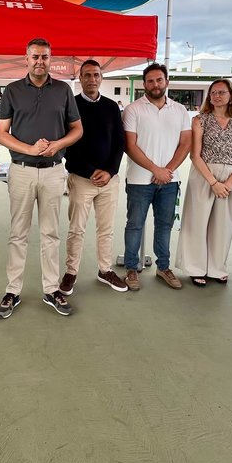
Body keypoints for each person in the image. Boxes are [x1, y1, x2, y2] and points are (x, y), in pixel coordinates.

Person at [0, 38, 82, 318]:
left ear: (50, 58)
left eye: (44, 57)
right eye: (35, 56)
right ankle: (12, 291)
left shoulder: (63, 90)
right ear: (26, 58)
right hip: (21, 169)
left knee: (50, 234)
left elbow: (77, 129)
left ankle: (50, 289)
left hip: (54, 171)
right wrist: (29, 149)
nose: (39, 61)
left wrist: (57, 144)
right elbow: (1, 134)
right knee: (18, 233)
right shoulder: (12, 90)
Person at [122, 63, 191, 292]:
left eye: (159, 80)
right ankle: (131, 268)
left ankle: (163, 267)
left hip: (170, 182)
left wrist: (167, 170)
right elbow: (130, 146)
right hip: (139, 181)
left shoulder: (180, 110)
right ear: (144, 85)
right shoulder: (133, 110)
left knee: (164, 226)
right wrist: (156, 169)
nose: (155, 84)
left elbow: (186, 143)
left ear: (167, 82)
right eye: (150, 81)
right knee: (135, 226)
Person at [62, 60, 128, 294]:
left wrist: (110, 171)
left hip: (109, 180)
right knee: (76, 229)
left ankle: (105, 270)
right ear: (80, 79)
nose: (92, 79)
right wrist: (90, 172)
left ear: (101, 78)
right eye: (87, 75)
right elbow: (69, 147)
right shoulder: (71, 106)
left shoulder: (111, 107)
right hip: (81, 179)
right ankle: (71, 272)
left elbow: (120, 142)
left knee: (106, 229)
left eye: (96, 75)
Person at [175, 79, 232, 286]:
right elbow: (195, 155)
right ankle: (195, 267)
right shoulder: (200, 120)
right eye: (213, 92)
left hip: (230, 177)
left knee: (223, 224)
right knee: (197, 222)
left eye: (221, 92)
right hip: (204, 174)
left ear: (230, 95)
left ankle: (217, 268)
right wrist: (213, 182)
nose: (216, 96)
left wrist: (229, 182)